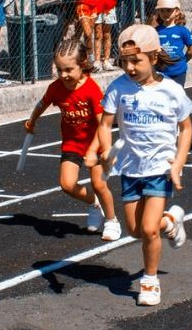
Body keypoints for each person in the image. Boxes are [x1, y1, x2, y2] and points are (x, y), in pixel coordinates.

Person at [97, 24, 192, 307]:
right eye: (124, 61)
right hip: (130, 168)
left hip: (159, 168)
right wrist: (105, 149)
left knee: (150, 230)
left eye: (136, 61)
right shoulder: (118, 88)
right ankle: (172, 220)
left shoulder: (171, 90)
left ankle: (150, 281)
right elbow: (105, 124)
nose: (129, 67)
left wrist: (178, 163)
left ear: (154, 57)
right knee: (136, 231)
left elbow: (186, 128)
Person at [23, 39, 121, 242]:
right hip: (72, 143)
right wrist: (32, 121)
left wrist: (98, 149)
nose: (63, 75)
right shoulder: (56, 88)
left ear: (83, 64)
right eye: (59, 69)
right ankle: (94, 204)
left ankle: (112, 221)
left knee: (99, 184)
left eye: (68, 69)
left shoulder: (92, 90)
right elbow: (42, 104)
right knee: (67, 184)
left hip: (95, 142)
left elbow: (102, 124)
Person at [152, 0, 192, 87]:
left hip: (178, 72)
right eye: (162, 11)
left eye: (168, 10)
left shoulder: (182, 31)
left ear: (176, 11)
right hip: (160, 72)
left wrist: (183, 60)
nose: (165, 13)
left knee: (177, 98)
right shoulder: (155, 31)